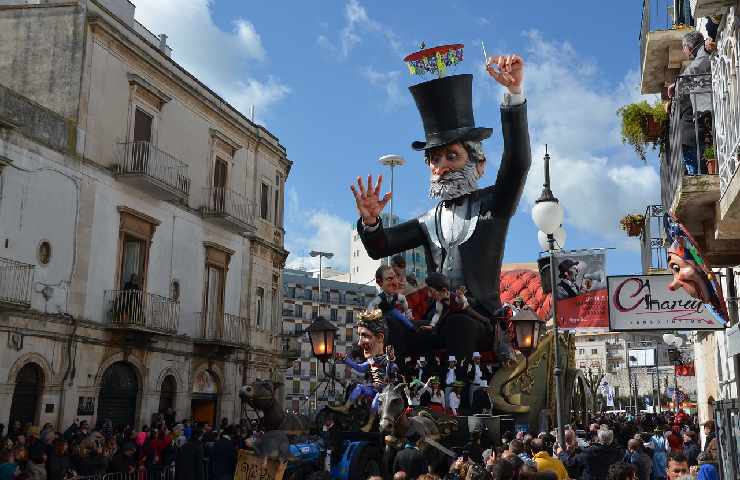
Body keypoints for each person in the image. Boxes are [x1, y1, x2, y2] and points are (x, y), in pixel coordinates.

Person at [351, 51, 531, 359]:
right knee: (391, 326)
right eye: (434, 159)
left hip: (480, 320)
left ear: (479, 164)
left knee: (458, 326)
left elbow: (517, 163)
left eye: (451, 156)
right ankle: (401, 396)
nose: (441, 167)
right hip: (437, 320)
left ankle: (459, 396)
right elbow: (381, 245)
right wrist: (370, 223)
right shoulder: (427, 221)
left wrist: (514, 96)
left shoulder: (492, 206)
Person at [329, 310, 398, 431]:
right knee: (359, 387)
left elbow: (392, 372)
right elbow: (359, 368)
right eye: (359, 336)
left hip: (384, 391)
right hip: (374, 387)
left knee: (376, 399)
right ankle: (347, 407)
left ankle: (370, 423)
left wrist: (390, 364)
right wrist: (345, 359)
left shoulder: (387, 360)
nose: (360, 343)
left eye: (365, 336)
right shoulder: (372, 360)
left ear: (380, 337)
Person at [668, 31, 712, 175]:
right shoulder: (701, 53)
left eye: (683, 47)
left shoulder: (703, 51)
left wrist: (677, 83)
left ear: (688, 46)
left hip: (709, 108)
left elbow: (696, 68)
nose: (683, 50)